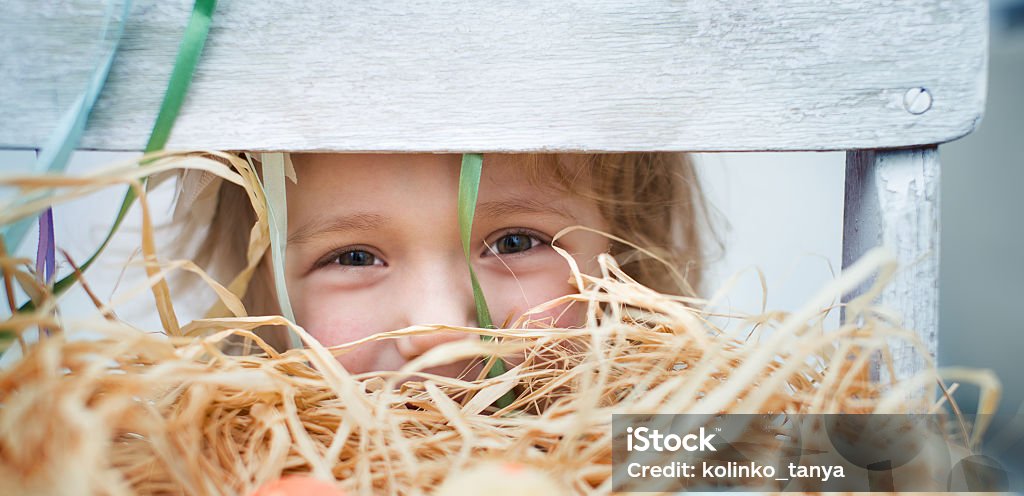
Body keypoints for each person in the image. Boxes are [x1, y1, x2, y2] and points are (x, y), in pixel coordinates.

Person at [186, 153, 712, 377]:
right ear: (259, 310)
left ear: (628, 272)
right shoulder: (226, 482)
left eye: (514, 244)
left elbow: (786, 462)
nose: (441, 328)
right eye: (354, 258)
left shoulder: (665, 456)